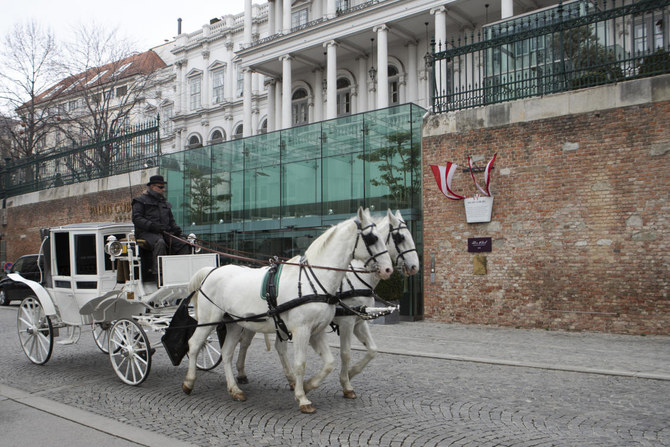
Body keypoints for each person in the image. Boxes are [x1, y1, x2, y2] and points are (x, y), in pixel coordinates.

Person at [132, 175, 190, 278]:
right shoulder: (140, 200)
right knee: (160, 242)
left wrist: (176, 229)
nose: (163, 190)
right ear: (153, 187)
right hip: (146, 233)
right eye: (161, 187)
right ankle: (160, 274)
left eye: (164, 187)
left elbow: (171, 220)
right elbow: (136, 218)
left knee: (184, 243)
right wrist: (152, 226)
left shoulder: (165, 203)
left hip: (164, 232)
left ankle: (181, 271)